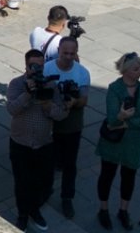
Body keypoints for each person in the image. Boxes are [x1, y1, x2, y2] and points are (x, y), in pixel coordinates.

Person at [7, 49, 67, 231]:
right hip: (21, 143)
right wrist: (27, 93)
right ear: (26, 66)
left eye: (40, 66)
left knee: (43, 182)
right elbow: (12, 109)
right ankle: (23, 215)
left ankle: (35, 209)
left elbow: (62, 114)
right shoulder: (17, 84)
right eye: (34, 66)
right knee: (22, 182)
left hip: (43, 144)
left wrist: (48, 106)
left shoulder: (51, 85)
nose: (37, 69)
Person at [96, 52, 140, 231]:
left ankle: (123, 210)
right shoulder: (114, 88)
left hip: (133, 143)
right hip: (113, 143)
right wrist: (120, 117)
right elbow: (112, 119)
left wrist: (126, 122)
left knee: (129, 178)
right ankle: (103, 210)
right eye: (136, 69)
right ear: (126, 71)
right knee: (107, 175)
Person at [45, 37, 90, 219]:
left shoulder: (82, 73)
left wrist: (74, 102)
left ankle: (67, 197)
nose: (69, 57)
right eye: (65, 53)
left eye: (72, 53)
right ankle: (46, 190)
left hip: (72, 125)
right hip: (50, 123)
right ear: (59, 50)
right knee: (48, 161)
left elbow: (84, 100)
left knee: (70, 164)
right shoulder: (47, 68)